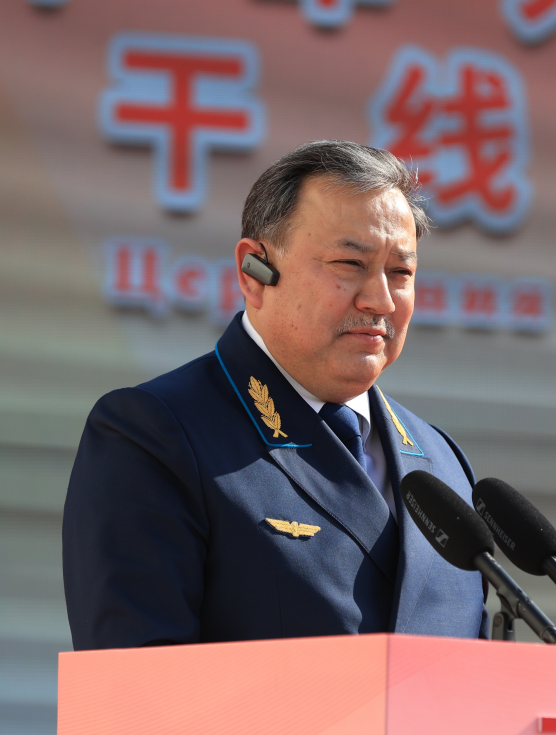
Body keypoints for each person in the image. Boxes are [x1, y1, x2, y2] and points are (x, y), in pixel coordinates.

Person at [62, 141, 488, 650]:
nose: (380, 300)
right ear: (255, 272)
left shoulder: (442, 464)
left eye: (401, 273)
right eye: (349, 263)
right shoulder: (155, 436)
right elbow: (135, 683)